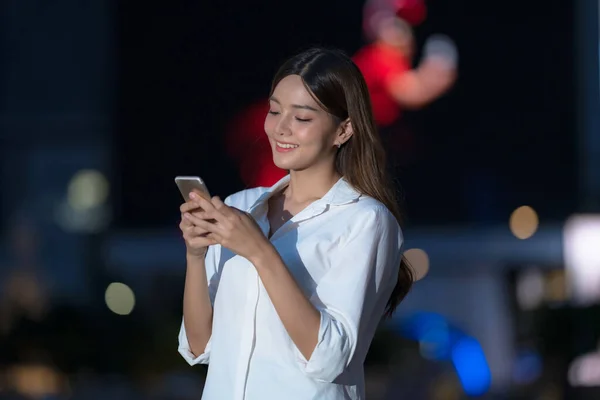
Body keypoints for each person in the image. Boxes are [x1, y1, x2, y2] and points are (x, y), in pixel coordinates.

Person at [177, 48, 414, 399]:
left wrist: (259, 250)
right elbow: (200, 346)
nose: (279, 128)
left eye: (301, 118)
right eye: (274, 111)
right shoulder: (241, 206)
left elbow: (330, 358)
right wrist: (195, 256)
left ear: (343, 130)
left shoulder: (366, 221)